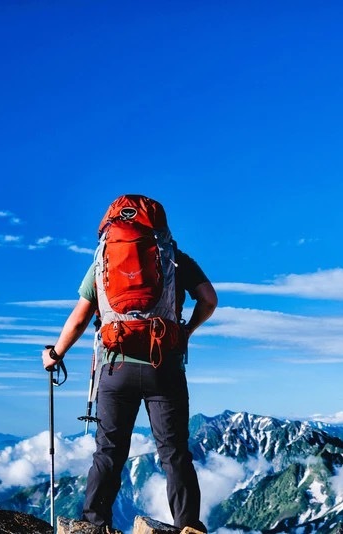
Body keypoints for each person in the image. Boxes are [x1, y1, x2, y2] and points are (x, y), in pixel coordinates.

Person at [42, 196, 217, 533]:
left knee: (109, 452)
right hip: (163, 367)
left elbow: (79, 319)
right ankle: (188, 527)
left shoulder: (102, 264)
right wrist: (186, 332)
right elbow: (209, 299)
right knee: (174, 453)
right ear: (160, 229)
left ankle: (95, 524)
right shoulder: (175, 261)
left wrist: (56, 354)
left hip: (115, 368)